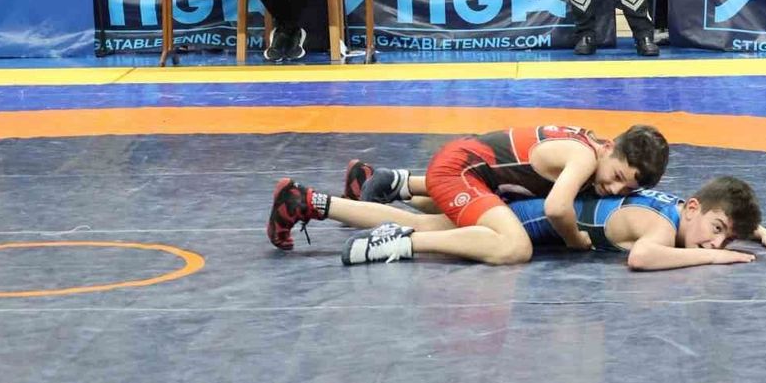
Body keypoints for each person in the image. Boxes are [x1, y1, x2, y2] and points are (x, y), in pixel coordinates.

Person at [267, 124, 671, 267]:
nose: (613, 189)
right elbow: (556, 207)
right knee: (513, 246)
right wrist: (574, 239)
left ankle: (308, 202)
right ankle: (398, 239)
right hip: (461, 169)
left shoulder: (590, 148)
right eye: (617, 177)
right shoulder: (583, 158)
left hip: (472, 170)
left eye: (626, 189)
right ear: (609, 147)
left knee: (442, 224)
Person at [293, 170, 766, 269]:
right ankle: (311, 202)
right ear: (693, 209)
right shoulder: (658, 227)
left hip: (529, 204)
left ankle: (325, 200)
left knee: (435, 217)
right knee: (428, 228)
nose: (714, 245)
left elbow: (711, 217)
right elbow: (643, 258)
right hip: (523, 218)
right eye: (717, 232)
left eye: (724, 240)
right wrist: (714, 262)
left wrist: (758, 232)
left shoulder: (678, 207)